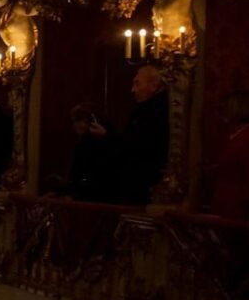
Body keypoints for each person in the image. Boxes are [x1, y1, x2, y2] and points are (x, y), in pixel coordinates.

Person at [207, 92, 249, 219]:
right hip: (227, 209)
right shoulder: (238, 137)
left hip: (238, 213)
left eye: (225, 108)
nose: (220, 113)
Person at [120, 65, 169, 204]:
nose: (132, 89)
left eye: (137, 83)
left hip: (145, 184)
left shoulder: (157, 112)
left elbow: (137, 144)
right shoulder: (145, 110)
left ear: (153, 85)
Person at [59, 103, 117, 201]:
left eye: (78, 121)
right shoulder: (88, 142)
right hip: (92, 194)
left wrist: (72, 193)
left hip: (90, 196)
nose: (75, 125)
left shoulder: (88, 144)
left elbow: (83, 173)